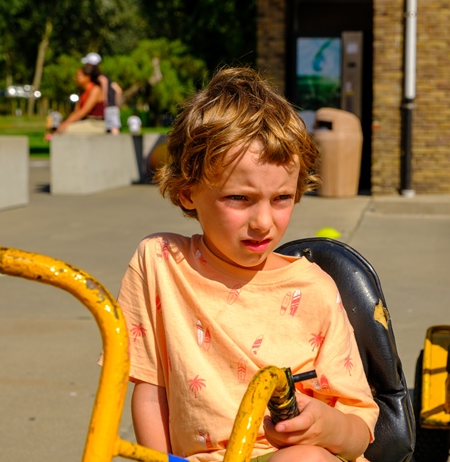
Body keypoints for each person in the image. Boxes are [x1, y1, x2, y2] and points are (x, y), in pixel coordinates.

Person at [115, 67, 379, 461]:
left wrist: (326, 424)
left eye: (281, 199)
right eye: (239, 199)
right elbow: (151, 393)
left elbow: (359, 432)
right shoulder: (160, 263)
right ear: (188, 192)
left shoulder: (315, 291)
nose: (263, 222)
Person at [56, 64, 105, 134]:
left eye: (78, 75)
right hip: (86, 122)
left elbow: (84, 111)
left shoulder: (95, 90)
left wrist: (65, 125)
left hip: (97, 124)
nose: (76, 78)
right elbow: (76, 112)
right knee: (63, 128)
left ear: (87, 77)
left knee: (66, 130)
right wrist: (65, 123)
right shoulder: (82, 92)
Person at [81, 52, 122, 134]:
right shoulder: (106, 76)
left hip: (108, 106)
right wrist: (117, 104)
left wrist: (105, 99)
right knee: (111, 128)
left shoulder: (99, 77)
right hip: (112, 105)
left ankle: (118, 146)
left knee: (113, 129)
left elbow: (104, 82)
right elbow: (118, 90)